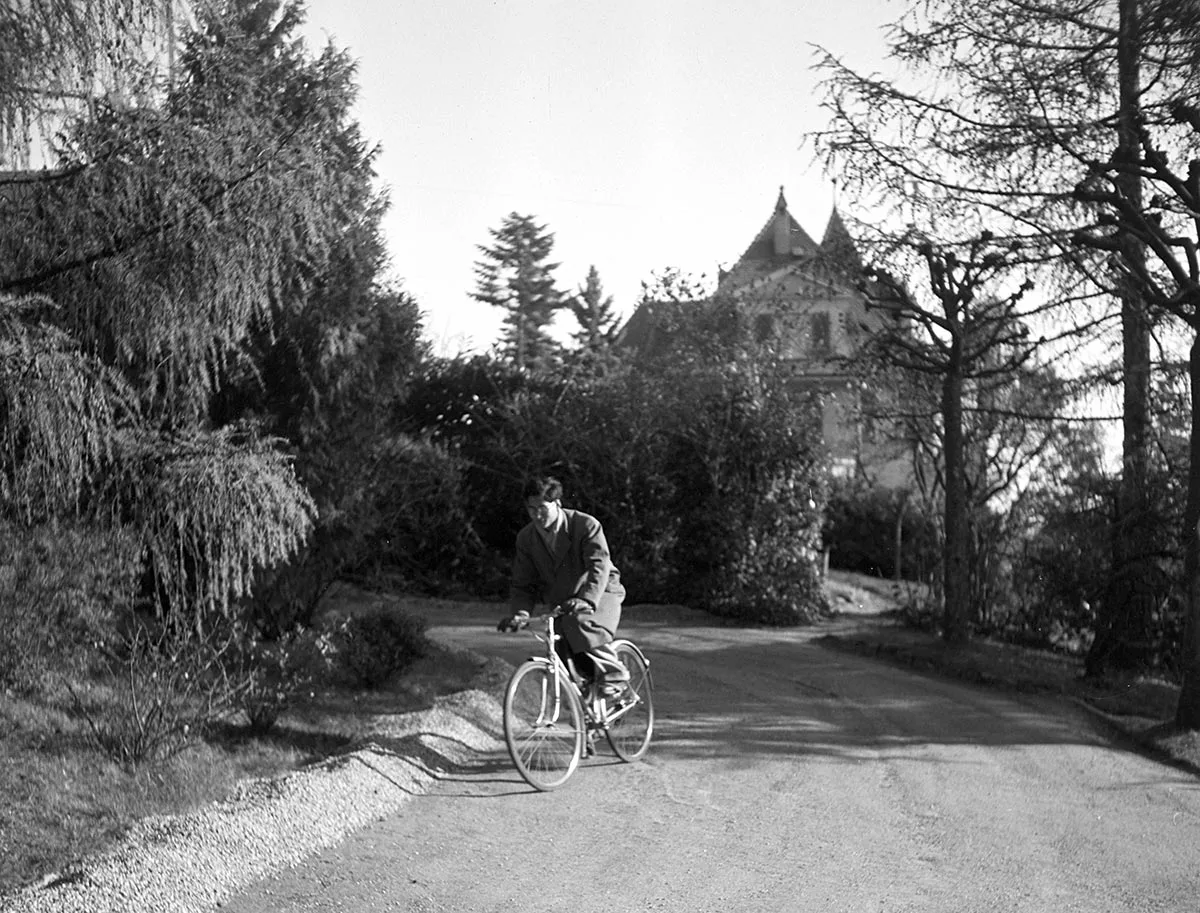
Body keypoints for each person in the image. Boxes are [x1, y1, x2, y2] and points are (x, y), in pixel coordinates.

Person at [498, 476, 629, 697]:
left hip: (600, 591)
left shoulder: (585, 525)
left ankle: (615, 675)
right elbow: (523, 584)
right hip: (564, 600)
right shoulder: (526, 539)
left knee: (581, 624)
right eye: (531, 509)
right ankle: (584, 709)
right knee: (559, 648)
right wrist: (520, 613)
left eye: (542, 508)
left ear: (557, 504)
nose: (536, 515)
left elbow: (599, 564)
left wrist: (587, 599)